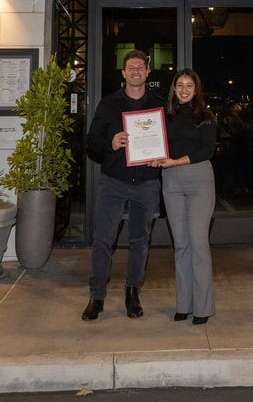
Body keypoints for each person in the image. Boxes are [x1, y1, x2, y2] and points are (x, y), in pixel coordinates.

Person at [82, 49, 162, 322]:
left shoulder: (159, 104)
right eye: (131, 67)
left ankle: (132, 293)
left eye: (141, 67)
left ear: (147, 72)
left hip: (147, 182)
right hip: (113, 182)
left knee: (140, 240)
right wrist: (111, 143)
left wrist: (163, 156)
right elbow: (92, 143)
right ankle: (97, 296)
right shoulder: (108, 104)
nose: (136, 71)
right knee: (103, 240)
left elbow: (170, 139)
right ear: (123, 73)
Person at [153, 69, 217, 325]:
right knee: (181, 244)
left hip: (199, 178)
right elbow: (156, 144)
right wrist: (154, 157)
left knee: (198, 243)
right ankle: (184, 304)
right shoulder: (164, 117)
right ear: (174, 88)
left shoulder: (206, 117)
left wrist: (176, 161)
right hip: (171, 180)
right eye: (180, 85)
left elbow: (207, 150)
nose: (184, 89)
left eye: (189, 85)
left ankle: (202, 307)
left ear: (196, 89)